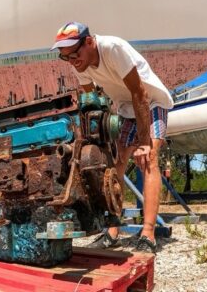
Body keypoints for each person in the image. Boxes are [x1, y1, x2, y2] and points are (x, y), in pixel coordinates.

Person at [51, 21, 173, 253]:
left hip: (151, 101)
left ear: (89, 41)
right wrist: (101, 134)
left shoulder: (112, 48)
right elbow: (93, 102)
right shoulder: (79, 63)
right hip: (125, 108)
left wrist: (145, 143)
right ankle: (112, 230)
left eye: (75, 54)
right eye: (65, 57)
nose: (73, 61)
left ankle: (147, 234)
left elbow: (140, 93)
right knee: (114, 164)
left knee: (149, 160)